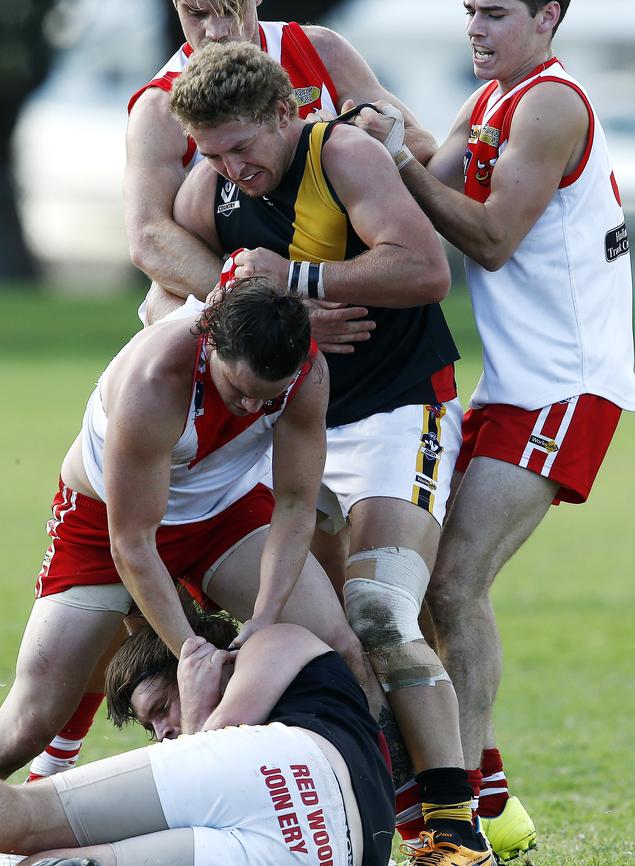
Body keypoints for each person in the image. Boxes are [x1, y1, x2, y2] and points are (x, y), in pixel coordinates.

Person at [164, 42, 496, 866]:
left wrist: (298, 283)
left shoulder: (338, 150)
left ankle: (458, 832)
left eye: (243, 145)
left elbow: (424, 270)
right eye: (213, 152)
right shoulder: (208, 189)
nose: (233, 168)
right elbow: (175, 278)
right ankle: (353, 801)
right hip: (285, 429)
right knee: (312, 627)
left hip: (395, 414)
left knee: (382, 610)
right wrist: (234, 300)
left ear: (287, 112)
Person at [352, 0, 635, 860]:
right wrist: (364, 139)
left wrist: (388, 157)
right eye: (469, 11)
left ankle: (465, 817)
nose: (475, 28)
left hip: (567, 389)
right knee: (428, 589)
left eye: (496, 13)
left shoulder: (551, 104)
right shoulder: (486, 103)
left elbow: (487, 238)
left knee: (452, 585)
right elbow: (426, 170)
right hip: (510, 387)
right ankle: (490, 799)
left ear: (549, 16)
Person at [0, 272, 385, 786]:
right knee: (30, 721)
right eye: (239, 390)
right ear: (210, 343)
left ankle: (390, 821)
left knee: (341, 649)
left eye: (265, 398)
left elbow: (294, 506)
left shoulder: (306, 373)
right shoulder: (154, 380)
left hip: (223, 512)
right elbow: (131, 543)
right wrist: (191, 653)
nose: (250, 407)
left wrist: (267, 615)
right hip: (106, 523)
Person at [126, 0, 434, 345]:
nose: (215, 31)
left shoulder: (318, 50)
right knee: (163, 318)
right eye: (195, 14)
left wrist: (352, 146)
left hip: (361, 316)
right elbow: (150, 238)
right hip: (252, 325)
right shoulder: (158, 106)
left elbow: (420, 145)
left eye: (230, 10)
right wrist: (273, 306)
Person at [0, 622, 396, 866]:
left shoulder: (272, 641)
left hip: (293, 766)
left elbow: (222, 740)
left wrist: (193, 707)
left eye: (161, 707)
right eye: (150, 727)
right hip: (336, 855)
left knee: (27, 818)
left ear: (206, 660)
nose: (162, 735)